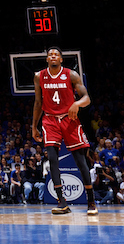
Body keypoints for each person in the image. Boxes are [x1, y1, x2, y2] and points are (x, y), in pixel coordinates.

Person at [31, 47, 96, 215]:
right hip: (50, 119)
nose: (53, 56)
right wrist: (34, 126)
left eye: (56, 55)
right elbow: (38, 103)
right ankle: (62, 202)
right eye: (50, 55)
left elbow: (86, 98)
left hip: (69, 119)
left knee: (80, 161)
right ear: (47, 59)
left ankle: (91, 201)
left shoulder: (71, 75)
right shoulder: (39, 76)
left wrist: (76, 104)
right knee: (52, 159)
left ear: (61, 59)